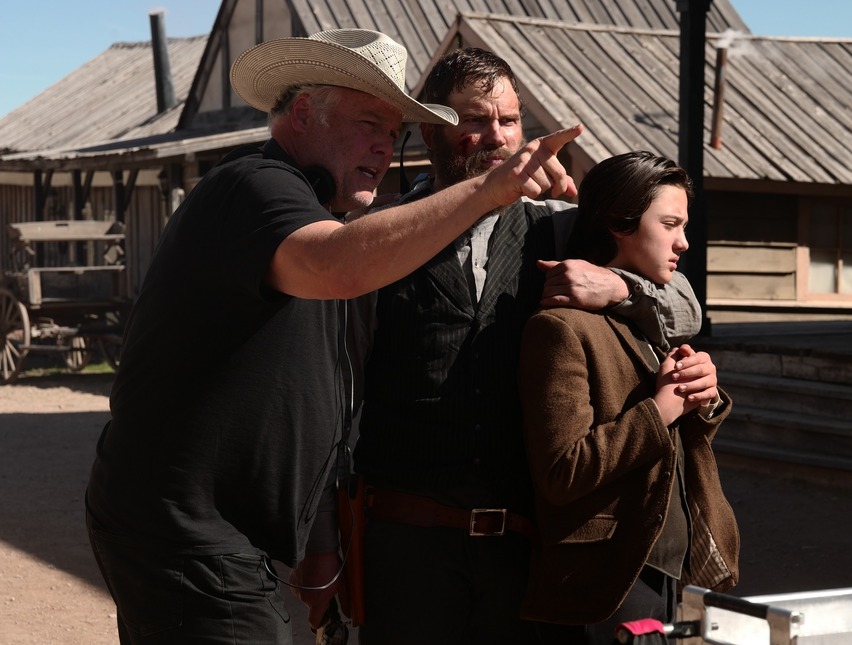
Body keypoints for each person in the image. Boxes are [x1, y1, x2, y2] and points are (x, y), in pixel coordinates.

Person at [84, 29, 583, 645]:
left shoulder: (322, 213)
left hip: (220, 536)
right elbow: (335, 265)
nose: (383, 146)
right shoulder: (256, 185)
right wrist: (488, 190)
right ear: (302, 114)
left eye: (392, 132)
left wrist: (318, 536)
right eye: (369, 123)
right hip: (193, 533)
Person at [350, 49, 701, 645]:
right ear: (431, 131)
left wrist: (619, 287)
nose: (497, 136)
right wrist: (323, 542)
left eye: (509, 120)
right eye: (475, 120)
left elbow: (687, 308)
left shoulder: (559, 227)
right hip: (406, 546)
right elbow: (339, 392)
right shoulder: (381, 234)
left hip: (527, 546)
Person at [518, 151, 740, 644]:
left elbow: (672, 443)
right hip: (603, 579)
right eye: (670, 224)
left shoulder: (649, 319)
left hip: (664, 567)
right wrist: (663, 408)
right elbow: (563, 471)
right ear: (620, 222)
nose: (683, 241)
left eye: (684, 226)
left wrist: (701, 397)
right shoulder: (560, 328)